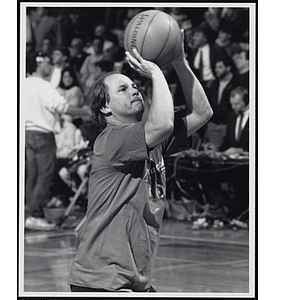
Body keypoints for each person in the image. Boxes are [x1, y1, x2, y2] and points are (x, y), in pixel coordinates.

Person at [68, 30, 213, 292]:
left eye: (134, 85)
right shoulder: (113, 138)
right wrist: (157, 71)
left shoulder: (148, 139)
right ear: (105, 108)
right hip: (103, 278)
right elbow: (163, 124)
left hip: (134, 278)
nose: (134, 89)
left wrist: (180, 62)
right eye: (123, 89)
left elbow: (203, 113)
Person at [23, 52, 92, 231]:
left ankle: (30, 213)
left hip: (27, 133)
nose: (51, 66)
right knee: (45, 175)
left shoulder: (23, 83)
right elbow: (61, 106)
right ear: (38, 64)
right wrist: (85, 111)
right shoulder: (43, 86)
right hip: (42, 134)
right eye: (47, 63)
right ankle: (35, 215)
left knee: (32, 175)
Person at [203, 56, 237, 149]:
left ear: (228, 68)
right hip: (213, 125)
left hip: (226, 124)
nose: (216, 70)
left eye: (220, 67)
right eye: (215, 67)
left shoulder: (236, 84)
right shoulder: (214, 84)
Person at [189, 24, 226, 93]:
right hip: (200, 86)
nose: (194, 38)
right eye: (194, 35)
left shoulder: (215, 50)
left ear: (205, 38)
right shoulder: (194, 52)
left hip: (214, 85)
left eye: (197, 36)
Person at [219, 86, 249, 155]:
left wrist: (242, 150)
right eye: (231, 104)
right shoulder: (232, 117)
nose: (233, 107)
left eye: (236, 104)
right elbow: (227, 141)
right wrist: (216, 149)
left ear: (246, 101)